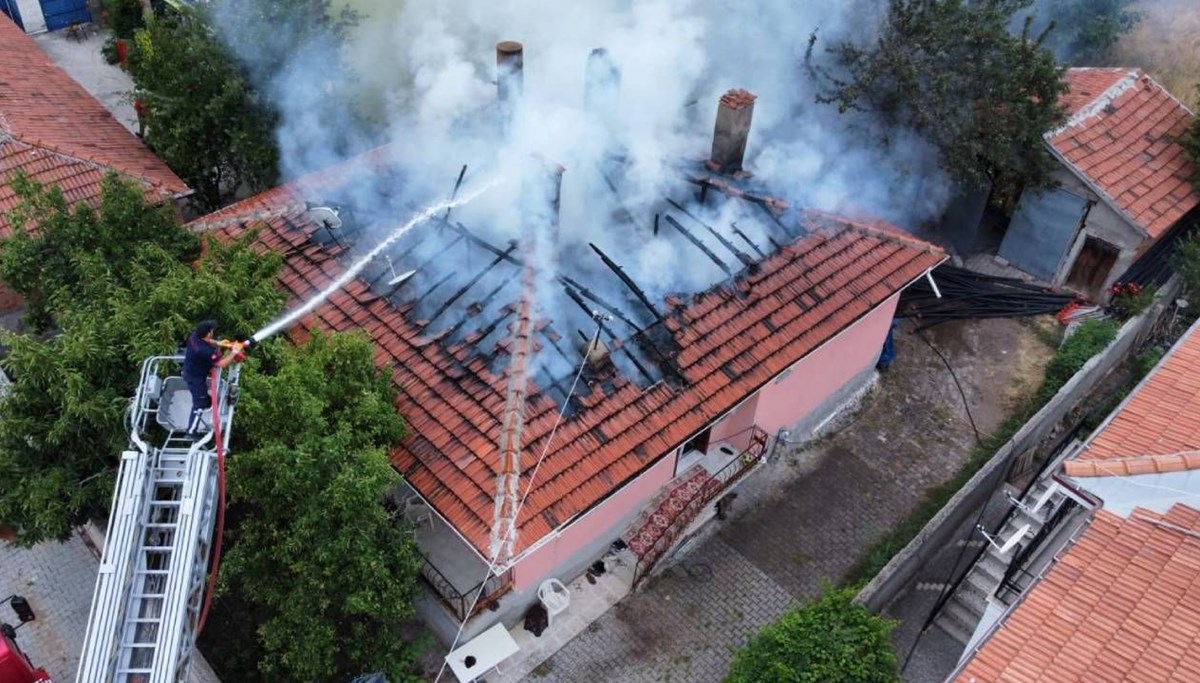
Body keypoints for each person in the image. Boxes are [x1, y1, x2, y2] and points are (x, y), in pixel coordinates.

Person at [182, 320, 238, 434]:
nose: (213, 331)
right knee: (199, 406)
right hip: (195, 378)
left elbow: (209, 341)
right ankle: (191, 431)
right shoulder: (205, 351)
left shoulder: (194, 336)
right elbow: (221, 364)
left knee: (205, 400)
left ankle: (206, 402)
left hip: (192, 372)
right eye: (211, 330)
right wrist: (234, 353)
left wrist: (219, 344)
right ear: (208, 333)